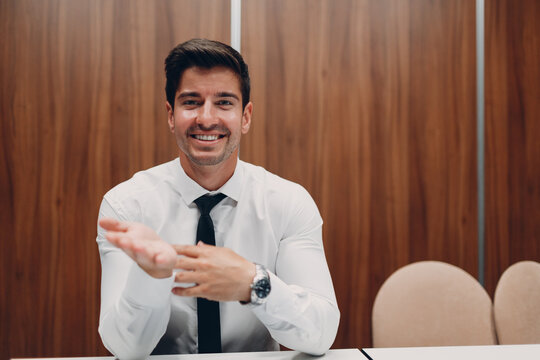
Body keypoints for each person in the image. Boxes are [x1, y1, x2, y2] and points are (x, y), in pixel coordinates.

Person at [96, 38, 340, 359]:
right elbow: (125, 349)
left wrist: (253, 285)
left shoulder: (288, 202)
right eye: (191, 102)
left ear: (246, 116)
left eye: (224, 102)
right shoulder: (127, 205)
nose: (207, 118)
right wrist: (151, 275)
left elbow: (320, 335)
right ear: (171, 115)